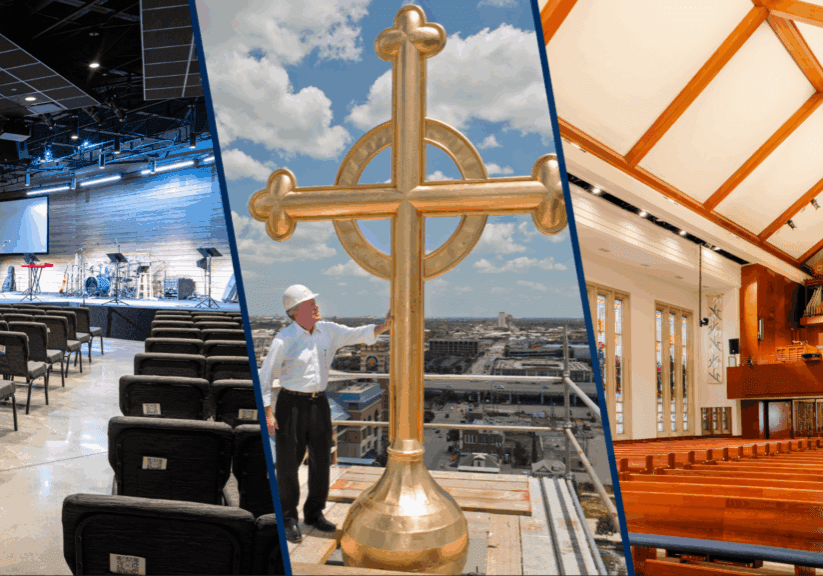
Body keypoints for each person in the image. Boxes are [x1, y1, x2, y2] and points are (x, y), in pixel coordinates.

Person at [258, 284, 391, 543]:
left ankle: (314, 513)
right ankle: (288, 518)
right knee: (288, 464)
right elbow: (266, 377)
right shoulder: (283, 340)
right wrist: (267, 412)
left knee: (321, 460)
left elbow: (358, 334)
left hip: (319, 403)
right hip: (290, 404)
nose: (316, 306)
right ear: (296, 312)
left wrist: (385, 326)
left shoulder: (328, 331)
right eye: (309, 303)